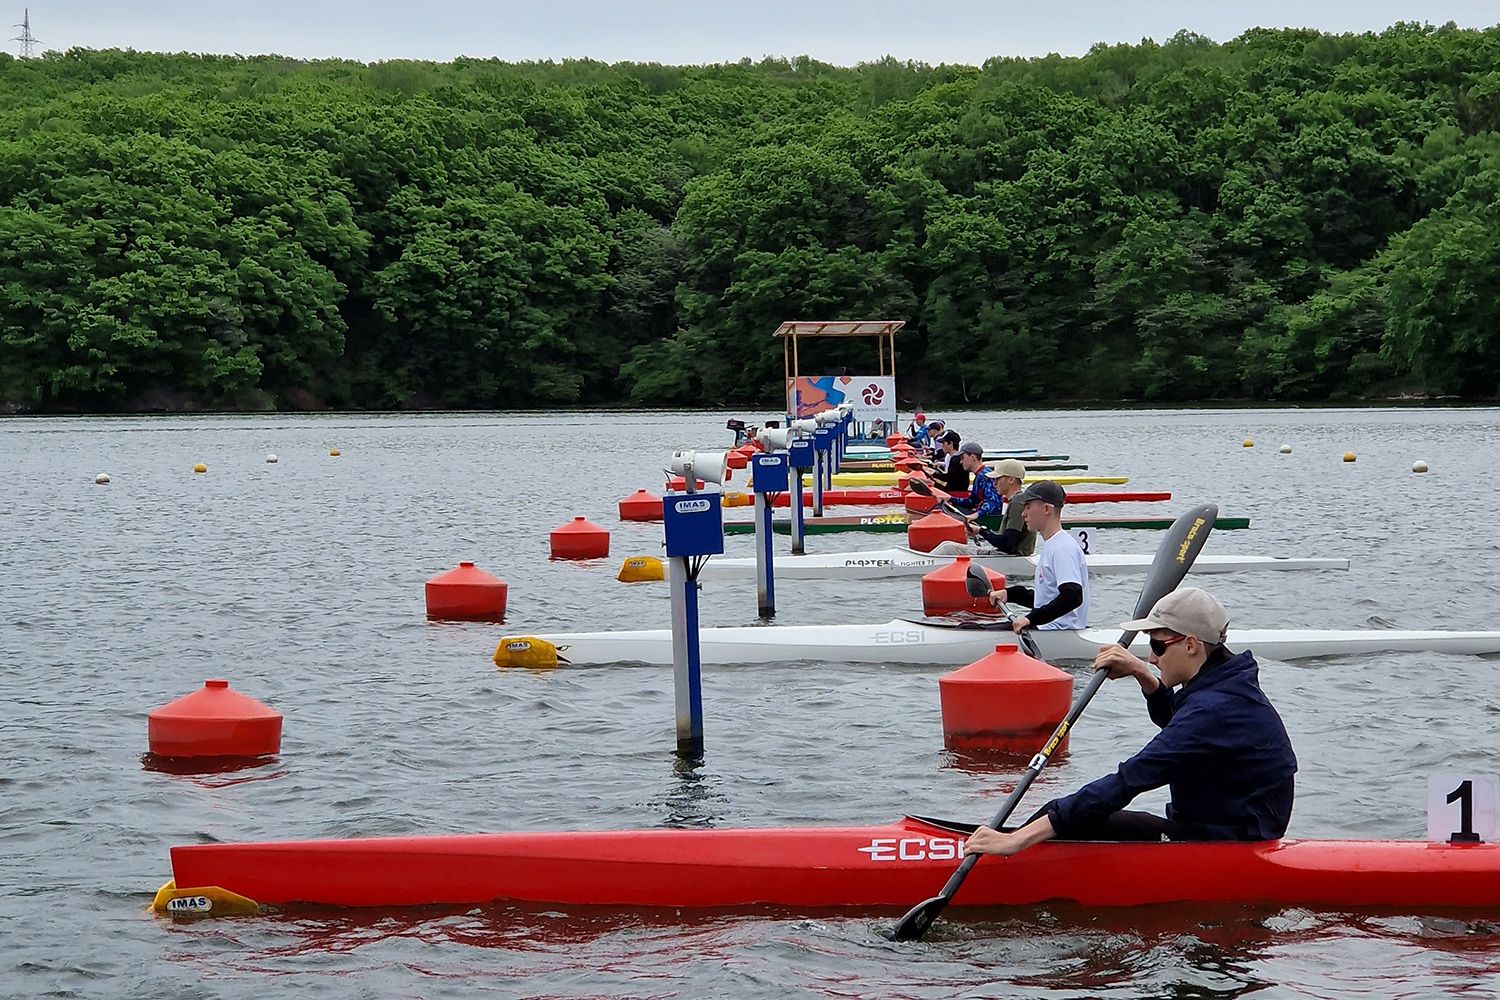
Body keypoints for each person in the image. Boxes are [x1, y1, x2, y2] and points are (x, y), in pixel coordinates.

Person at [963, 588, 1298, 853]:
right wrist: (1143, 675)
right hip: (1224, 820)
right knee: (1065, 816)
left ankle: (1011, 851)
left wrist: (1017, 841)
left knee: (1069, 817)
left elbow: (1132, 778)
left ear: (1193, 645)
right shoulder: (1225, 682)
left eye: (1157, 645)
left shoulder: (1215, 709)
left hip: (1230, 841)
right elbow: (1181, 726)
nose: (1151, 656)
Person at [986, 480, 1086, 632]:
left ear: (1046, 509)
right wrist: (1011, 594)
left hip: (1057, 630)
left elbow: (1073, 596)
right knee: (967, 627)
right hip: (1049, 626)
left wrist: (1030, 619)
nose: (1023, 513)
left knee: (967, 628)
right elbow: (1047, 600)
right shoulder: (1053, 544)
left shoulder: (1062, 548)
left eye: (1028, 507)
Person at [931, 457, 1034, 556]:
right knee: (947, 545)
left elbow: (1007, 544)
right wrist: (978, 530)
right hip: (1006, 554)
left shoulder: (1017, 502)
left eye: (997, 479)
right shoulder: (1018, 501)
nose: (994, 484)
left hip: (1008, 557)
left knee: (948, 548)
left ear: (1011, 480)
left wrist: (980, 531)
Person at [945, 442, 1004, 524]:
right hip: (982, 517)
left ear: (972, 457)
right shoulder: (979, 476)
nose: (960, 462)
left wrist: (974, 515)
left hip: (988, 520)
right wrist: (950, 498)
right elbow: (972, 501)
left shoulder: (986, 477)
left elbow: (993, 502)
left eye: (963, 458)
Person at [929, 430, 969, 494]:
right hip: (954, 490)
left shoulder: (956, 460)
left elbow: (948, 478)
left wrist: (933, 473)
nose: (942, 446)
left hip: (956, 494)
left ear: (950, 444)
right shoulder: (954, 458)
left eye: (943, 443)